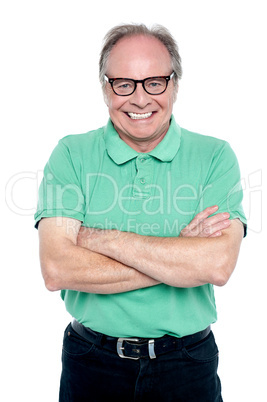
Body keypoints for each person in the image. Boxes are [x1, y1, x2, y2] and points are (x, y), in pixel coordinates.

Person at [35, 23, 247, 401]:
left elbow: (216, 266)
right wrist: (178, 255)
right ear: (105, 87)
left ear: (175, 85)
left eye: (155, 83)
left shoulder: (215, 156)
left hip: (186, 364)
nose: (140, 99)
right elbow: (57, 269)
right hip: (91, 362)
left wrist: (96, 238)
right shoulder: (70, 154)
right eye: (124, 84)